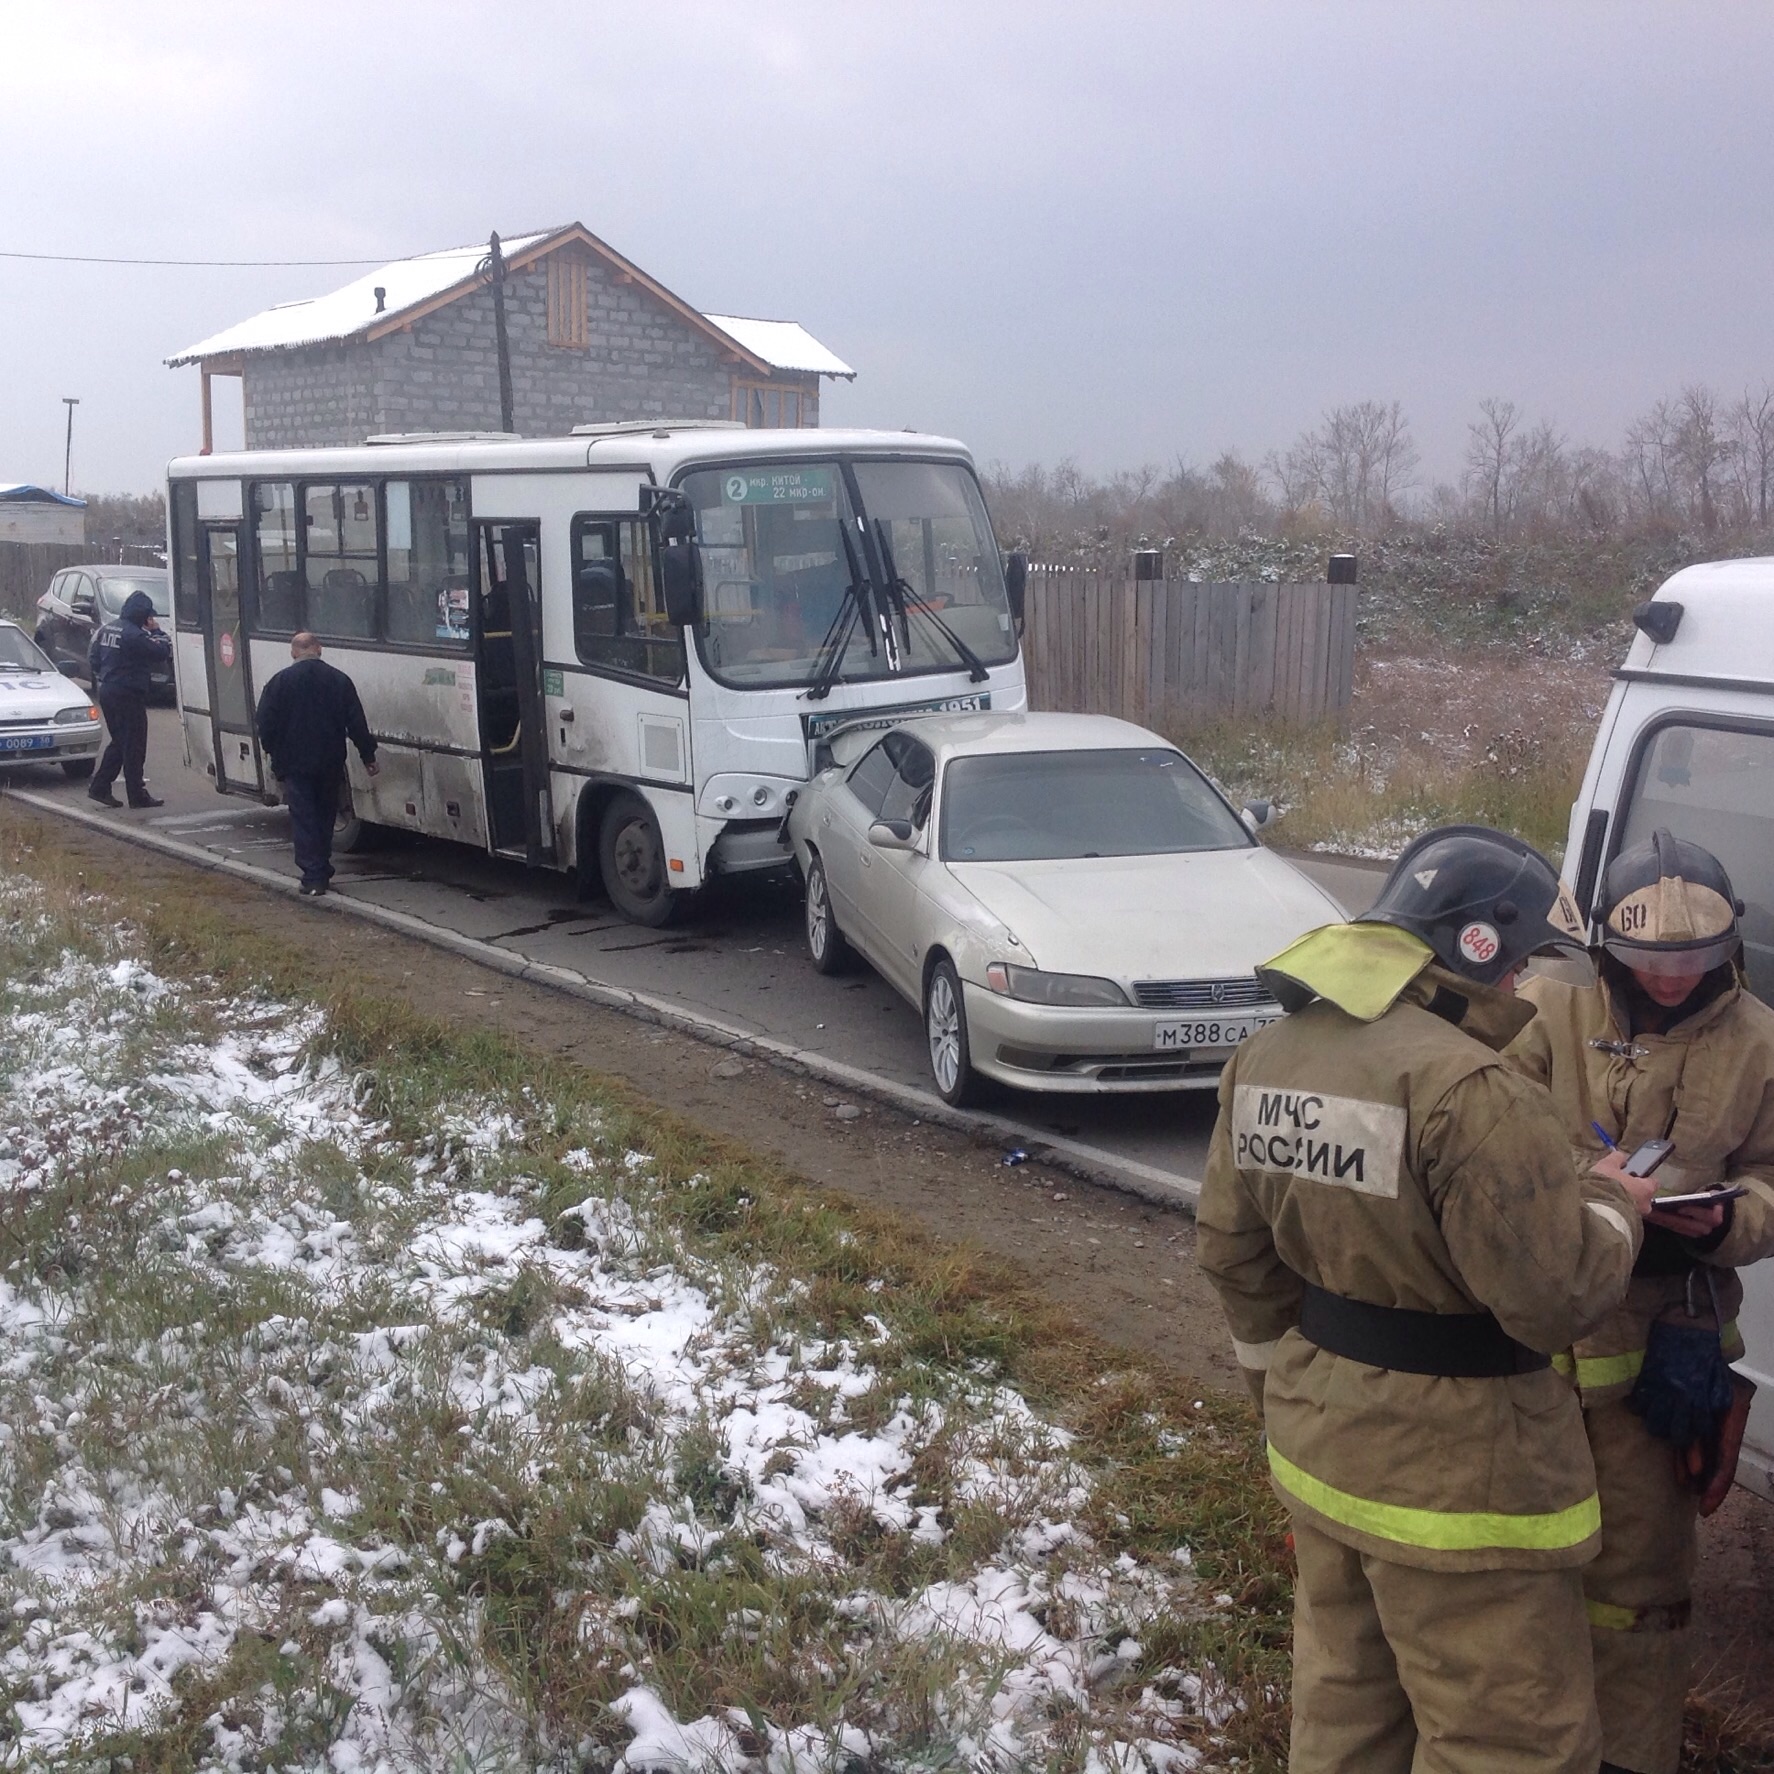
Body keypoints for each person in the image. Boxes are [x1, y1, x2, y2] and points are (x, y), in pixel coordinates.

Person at [1196, 824, 1662, 1774]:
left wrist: (1287, 1399)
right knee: (1507, 1745)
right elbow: (1557, 1294)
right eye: (1522, 961)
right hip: (1467, 1493)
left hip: (1326, 1456)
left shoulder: (1272, 1057)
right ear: (1474, 947)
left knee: (1347, 1725)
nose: (1524, 986)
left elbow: (1235, 1259)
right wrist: (1616, 1202)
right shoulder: (1469, 1086)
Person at [1506, 830, 1773, 1774]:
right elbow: (1480, 1142)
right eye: (1651, 961)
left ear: (1727, 947)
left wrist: (1734, 1220)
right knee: (1520, 1562)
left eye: (1696, 959)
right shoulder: (1540, 1006)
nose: (1673, 980)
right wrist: (1593, 1180)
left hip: (1670, 1343)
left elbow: (1772, 1179)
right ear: (1607, 950)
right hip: (1538, 1340)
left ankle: (1631, 1756)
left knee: (1642, 1582)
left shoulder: (1758, 1041)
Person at [253, 632, 379, 896]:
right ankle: (322, 866)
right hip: (329, 760)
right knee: (324, 816)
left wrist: (272, 751)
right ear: (319, 650)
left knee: (304, 817)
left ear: (293, 653)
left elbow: (265, 722)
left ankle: (314, 876)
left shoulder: (279, 682)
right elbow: (356, 722)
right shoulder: (339, 680)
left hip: (294, 762)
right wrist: (368, 756)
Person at [86, 588, 172, 809]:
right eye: (148, 616)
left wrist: (105, 674)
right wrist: (159, 631)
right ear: (142, 614)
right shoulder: (135, 634)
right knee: (134, 745)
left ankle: (100, 787)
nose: (150, 619)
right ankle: (137, 795)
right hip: (127, 694)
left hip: (108, 690)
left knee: (121, 742)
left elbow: (94, 657)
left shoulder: (108, 629)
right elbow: (161, 651)